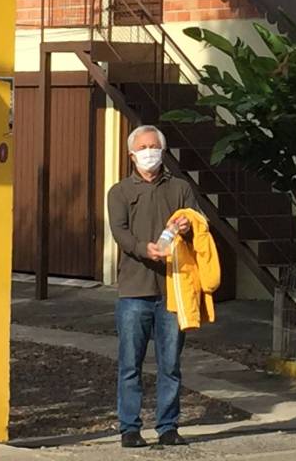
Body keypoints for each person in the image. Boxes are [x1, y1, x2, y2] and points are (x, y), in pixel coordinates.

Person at [107, 124, 200, 448]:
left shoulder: (180, 188)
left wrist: (188, 227)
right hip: (134, 291)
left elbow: (199, 226)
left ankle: (168, 427)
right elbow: (119, 232)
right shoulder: (119, 192)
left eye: (154, 146)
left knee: (170, 364)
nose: (149, 152)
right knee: (130, 364)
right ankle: (129, 428)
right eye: (143, 148)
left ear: (163, 150)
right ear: (131, 155)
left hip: (173, 290)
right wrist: (143, 249)